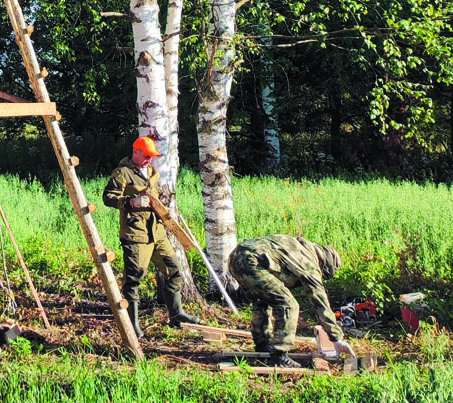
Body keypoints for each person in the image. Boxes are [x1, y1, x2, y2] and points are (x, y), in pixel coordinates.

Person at [102, 135, 199, 337]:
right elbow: (108, 198)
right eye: (146, 156)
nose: (149, 160)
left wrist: (165, 211)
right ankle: (132, 325)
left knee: (173, 269)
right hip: (135, 234)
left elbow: (155, 198)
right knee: (134, 278)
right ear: (135, 151)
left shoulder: (152, 173)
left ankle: (176, 314)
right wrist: (131, 202)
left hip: (157, 232)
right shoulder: (123, 173)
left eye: (151, 156)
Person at [228, 235, 353, 369]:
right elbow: (320, 301)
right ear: (325, 264)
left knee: (262, 301)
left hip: (235, 257)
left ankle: (263, 346)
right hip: (253, 261)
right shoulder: (310, 262)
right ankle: (279, 355)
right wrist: (336, 337)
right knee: (288, 304)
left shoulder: (300, 247)